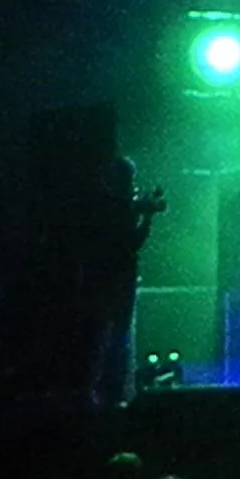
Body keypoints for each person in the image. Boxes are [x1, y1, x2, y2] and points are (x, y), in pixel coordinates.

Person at [91, 156, 165, 405]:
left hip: (104, 277)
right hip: (118, 277)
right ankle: (112, 392)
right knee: (116, 336)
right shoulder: (117, 208)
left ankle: (105, 390)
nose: (133, 185)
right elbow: (133, 243)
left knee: (107, 335)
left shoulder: (107, 205)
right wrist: (148, 217)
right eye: (130, 179)